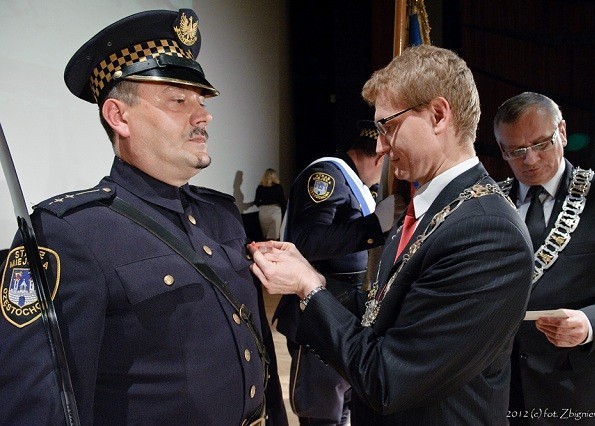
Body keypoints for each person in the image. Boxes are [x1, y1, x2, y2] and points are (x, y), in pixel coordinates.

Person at [0, 9, 286, 425]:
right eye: (178, 100)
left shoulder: (221, 213)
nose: (203, 114)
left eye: (201, 100)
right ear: (119, 116)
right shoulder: (71, 232)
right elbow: (36, 403)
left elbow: (256, 348)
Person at [248, 44, 535, 425]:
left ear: (437, 115)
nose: (381, 145)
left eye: (388, 126)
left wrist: (309, 289)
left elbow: (388, 379)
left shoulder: (488, 233)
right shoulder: (435, 206)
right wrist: (310, 273)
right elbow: (386, 308)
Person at [493, 91, 595, 424]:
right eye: (516, 151)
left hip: (577, 383)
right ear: (502, 151)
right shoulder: (490, 204)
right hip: (498, 384)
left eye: (540, 144)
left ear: (561, 131)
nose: (529, 160)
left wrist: (592, 322)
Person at [273, 120, 389, 425]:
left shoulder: (352, 182)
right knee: (322, 413)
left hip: (340, 311)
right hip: (316, 314)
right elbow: (307, 242)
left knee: (342, 406)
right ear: (379, 156)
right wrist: (375, 227)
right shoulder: (328, 175)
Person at [254, 168, 287, 240]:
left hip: (263, 212)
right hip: (275, 211)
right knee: (274, 237)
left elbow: (256, 202)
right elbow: (283, 201)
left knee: (265, 237)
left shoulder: (260, 187)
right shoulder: (278, 187)